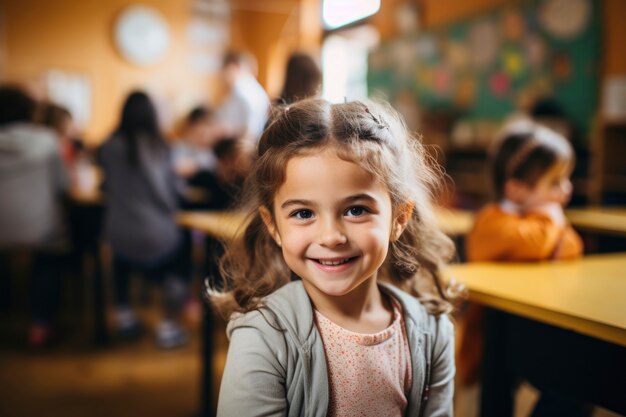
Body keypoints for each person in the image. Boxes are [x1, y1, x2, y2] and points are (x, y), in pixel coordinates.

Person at [212, 98, 460, 416]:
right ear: (273, 225)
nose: (330, 237)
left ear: (399, 218)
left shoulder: (431, 332)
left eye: (356, 210)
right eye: (303, 213)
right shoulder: (265, 337)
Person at [459, 119, 585, 416]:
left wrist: (550, 221)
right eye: (555, 182)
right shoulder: (492, 220)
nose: (566, 190)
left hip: (544, 325)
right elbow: (535, 243)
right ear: (516, 190)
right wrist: (551, 219)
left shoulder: (545, 220)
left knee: (579, 384)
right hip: (496, 333)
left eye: (566, 179)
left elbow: (572, 248)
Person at [99, 90, 189, 349]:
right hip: (157, 234)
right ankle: (167, 324)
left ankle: (124, 316)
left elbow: (106, 186)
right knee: (181, 249)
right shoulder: (162, 147)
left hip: (118, 233)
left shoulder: (109, 148)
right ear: (152, 116)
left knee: (121, 254)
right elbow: (169, 195)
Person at [0, 85, 69, 347]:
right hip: (39, 229)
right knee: (50, 255)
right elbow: (63, 187)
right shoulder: (46, 140)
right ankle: (40, 325)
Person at [212, 50, 270, 151]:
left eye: (224, 70)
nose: (222, 75)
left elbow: (253, 121)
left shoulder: (243, 87)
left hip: (247, 143)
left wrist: (245, 146)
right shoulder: (241, 87)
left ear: (231, 67)